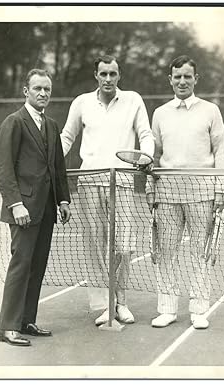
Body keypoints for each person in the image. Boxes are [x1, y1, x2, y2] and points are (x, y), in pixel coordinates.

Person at [61, 55, 154, 326]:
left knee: (123, 246)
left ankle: (121, 303)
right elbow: (67, 137)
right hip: (89, 183)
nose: (108, 79)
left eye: (113, 74)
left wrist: (146, 156)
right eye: (104, 74)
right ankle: (104, 305)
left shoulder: (134, 100)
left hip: (122, 181)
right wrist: (48, 158)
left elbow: (145, 134)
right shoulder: (81, 103)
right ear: (96, 75)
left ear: (119, 75)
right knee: (95, 246)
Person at [146, 55, 224, 329]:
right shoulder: (160, 113)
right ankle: (167, 309)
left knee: (200, 252)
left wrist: (222, 188)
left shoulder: (211, 110)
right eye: (177, 77)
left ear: (196, 79)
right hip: (167, 193)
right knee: (166, 251)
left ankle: (198, 310)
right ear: (170, 80)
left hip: (202, 192)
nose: (182, 81)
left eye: (187, 76)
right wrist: (151, 188)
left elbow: (221, 150)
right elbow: (153, 156)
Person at [0, 69, 71, 346]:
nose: (43, 94)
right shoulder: (13, 122)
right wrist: (16, 205)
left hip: (46, 210)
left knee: (37, 267)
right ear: (26, 91)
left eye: (47, 89)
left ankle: (26, 321)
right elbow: (3, 169)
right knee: (20, 266)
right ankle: (8, 327)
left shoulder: (50, 124)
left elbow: (57, 167)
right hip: (23, 210)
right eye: (37, 88)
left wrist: (62, 200)